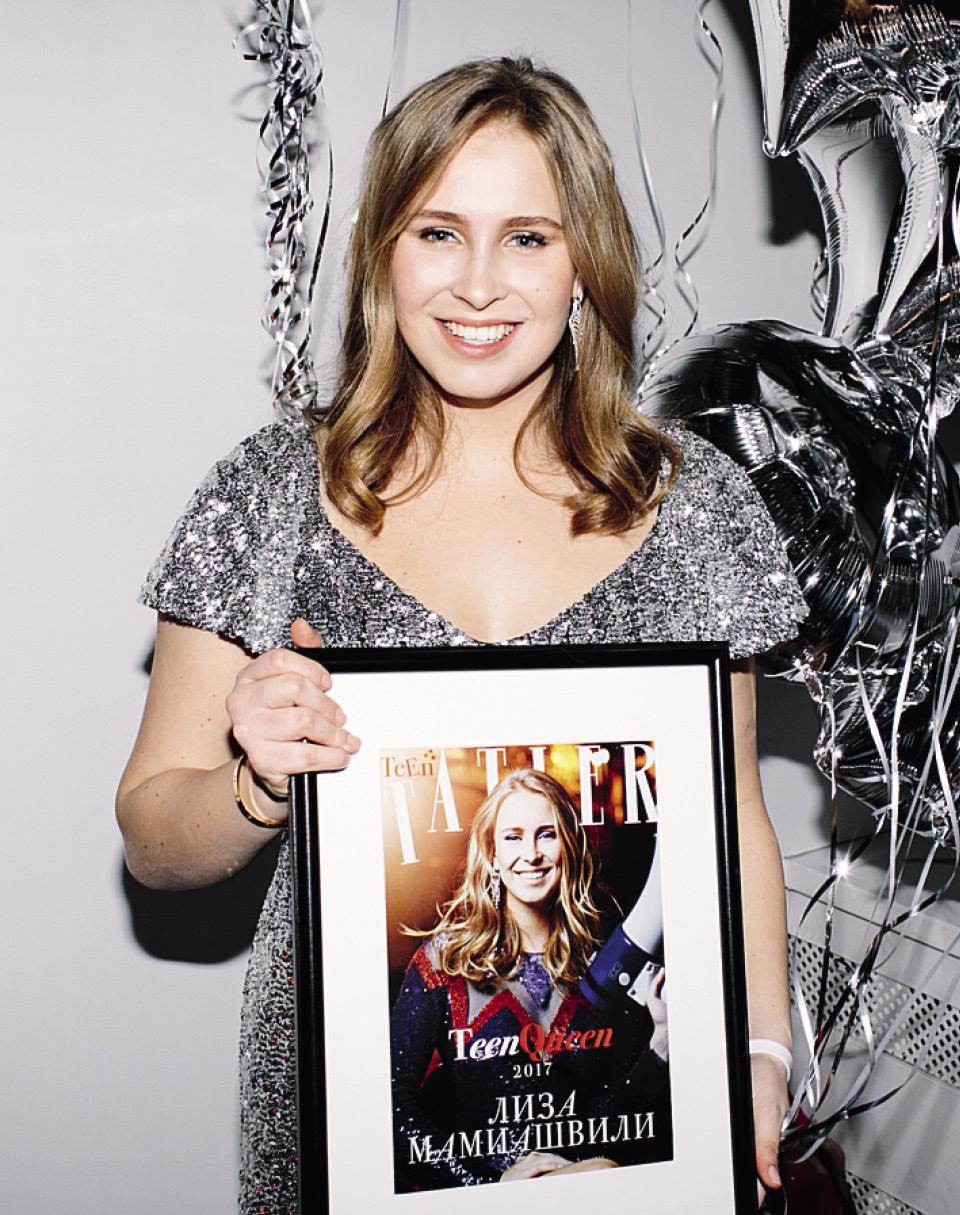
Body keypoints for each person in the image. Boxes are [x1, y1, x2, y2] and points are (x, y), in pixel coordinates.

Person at [116, 56, 806, 1213]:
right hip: (354, 1128)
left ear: (584, 265)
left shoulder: (698, 509)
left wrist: (761, 1051)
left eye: (528, 238)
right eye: (439, 232)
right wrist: (256, 780)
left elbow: (732, 817)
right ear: (385, 255)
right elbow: (152, 839)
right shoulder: (271, 494)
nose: (479, 284)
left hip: (629, 1131)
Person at [390, 767, 670, 1190]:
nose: (532, 854)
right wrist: (487, 1185)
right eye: (513, 837)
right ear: (492, 853)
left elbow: (615, 1126)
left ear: (568, 845)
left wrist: (661, 1042)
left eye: (546, 834)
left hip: (587, 1189)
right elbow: (392, 1099)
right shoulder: (445, 961)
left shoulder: (605, 964)